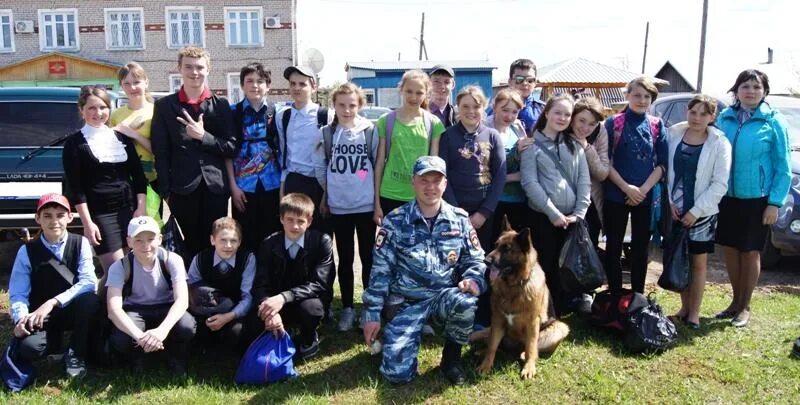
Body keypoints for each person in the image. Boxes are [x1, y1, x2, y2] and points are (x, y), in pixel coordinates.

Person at [362, 156, 486, 385]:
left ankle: (451, 359)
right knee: (396, 375)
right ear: (413, 182)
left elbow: (476, 260)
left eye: (436, 181)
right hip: (406, 302)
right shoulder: (395, 221)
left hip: (443, 298)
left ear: (445, 184)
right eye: (424, 180)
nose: (430, 187)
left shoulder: (459, 219)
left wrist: (473, 279)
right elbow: (380, 272)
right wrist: (371, 315)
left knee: (466, 301)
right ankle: (394, 338)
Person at [714, 69, 791, 327]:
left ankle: (745, 306)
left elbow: (783, 166)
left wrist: (774, 202)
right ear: (736, 90)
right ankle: (734, 302)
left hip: (757, 198)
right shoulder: (725, 118)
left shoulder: (773, 122)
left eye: (757, 87)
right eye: (745, 86)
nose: (751, 91)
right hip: (726, 196)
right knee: (730, 250)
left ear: (765, 91)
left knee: (750, 251)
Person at [151, 47, 237, 260]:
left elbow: (231, 146)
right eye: (188, 66)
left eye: (199, 67)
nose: (194, 72)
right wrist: (166, 191)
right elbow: (160, 151)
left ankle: (212, 287)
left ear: (208, 70)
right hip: (181, 188)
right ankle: (191, 288)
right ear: (179, 68)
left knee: (214, 240)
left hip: (215, 187)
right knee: (189, 242)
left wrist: (203, 136)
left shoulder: (221, 105)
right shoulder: (165, 105)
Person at [8, 193, 99, 379]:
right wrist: (20, 319)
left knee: (91, 301)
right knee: (28, 348)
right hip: (42, 317)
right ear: (37, 219)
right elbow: (18, 292)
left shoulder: (80, 243)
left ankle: (75, 352)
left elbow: (89, 282)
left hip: (72, 309)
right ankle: (55, 344)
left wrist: (53, 302)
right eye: (47, 215)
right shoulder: (26, 251)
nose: (54, 221)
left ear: (69, 217)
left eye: (59, 215)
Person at [313, 83, 378, 331]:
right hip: (338, 207)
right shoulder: (326, 134)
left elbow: (372, 163)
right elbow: (320, 167)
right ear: (334, 105)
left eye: (352, 105)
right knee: (346, 258)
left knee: (368, 257)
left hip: (365, 205)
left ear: (359, 105)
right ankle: (348, 308)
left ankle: (368, 308)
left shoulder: (369, 131)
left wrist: (358, 179)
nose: (347, 110)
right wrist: (331, 190)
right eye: (341, 105)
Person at [62, 85, 147, 271]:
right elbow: (76, 189)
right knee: (117, 272)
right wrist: (88, 223)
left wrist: (141, 208)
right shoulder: (74, 144)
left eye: (102, 107)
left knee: (137, 269)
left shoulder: (121, 138)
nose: (98, 113)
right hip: (102, 215)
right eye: (91, 108)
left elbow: (138, 176)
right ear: (81, 110)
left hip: (131, 211)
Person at [520, 94, 591, 315]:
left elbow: (583, 179)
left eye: (567, 114)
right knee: (546, 266)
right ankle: (544, 312)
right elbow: (529, 183)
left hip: (572, 218)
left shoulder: (574, 145)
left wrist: (579, 212)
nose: (562, 118)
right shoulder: (532, 145)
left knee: (567, 266)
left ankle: (563, 308)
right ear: (547, 112)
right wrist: (552, 213)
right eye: (558, 112)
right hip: (543, 217)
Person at [665, 95, 731, 329]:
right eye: (693, 112)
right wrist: (670, 202)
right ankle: (683, 307)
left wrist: (696, 211)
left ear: (712, 117)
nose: (697, 118)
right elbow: (666, 173)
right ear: (687, 112)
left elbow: (720, 183)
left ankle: (694, 313)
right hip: (675, 211)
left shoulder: (719, 143)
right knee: (680, 259)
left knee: (698, 264)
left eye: (704, 114)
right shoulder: (674, 135)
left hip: (702, 213)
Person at [106, 216, 196, 376]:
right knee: (121, 339)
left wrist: (162, 331)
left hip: (166, 306)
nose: (146, 245)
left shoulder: (172, 260)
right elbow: (113, 310)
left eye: (151, 239)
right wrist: (140, 337)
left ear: (160, 239)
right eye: (138, 240)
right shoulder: (119, 266)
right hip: (135, 310)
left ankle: (175, 356)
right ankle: (136, 356)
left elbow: (182, 301)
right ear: (129, 241)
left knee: (187, 325)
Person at [603, 77, 667, 294]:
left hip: (645, 196)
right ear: (627, 95)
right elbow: (606, 161)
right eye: (637, 95)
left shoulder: (657, 125)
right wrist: (626, 188)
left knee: (640, 249)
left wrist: (642, 191)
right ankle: (615, 294)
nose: (642, 100)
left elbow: (662, 164)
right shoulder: (614, 123)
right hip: (615, 193)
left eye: (647, 96)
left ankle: (638, 297)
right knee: (613, 246)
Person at [251, 193, 335, 360]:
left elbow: (319, 283)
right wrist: (269, 312)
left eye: (301, 221)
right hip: (276, 301)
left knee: (311, 310)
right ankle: (280, 328)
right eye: (290, 220)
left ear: (309, 221)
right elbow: (260, 283)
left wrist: (284, 297)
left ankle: (308, 338)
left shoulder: (321, 242)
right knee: (250, 324)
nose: (295, 226)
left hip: (306, 300)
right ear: (281, 219)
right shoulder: (269, 243)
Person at [373, 70, 446, 225]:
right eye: (409, 91)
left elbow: (433, 166)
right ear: (401, 90)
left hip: (420, 196)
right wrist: (376, 203)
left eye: (419, 93)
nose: (413, 97)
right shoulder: (386, 121)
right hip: (389, 194)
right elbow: (379, 162)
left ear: (427, 94)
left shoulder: (434, 123)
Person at [438, 85, 506, 250]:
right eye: (465, 106)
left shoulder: (492, 136)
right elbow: (442, 174)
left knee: (479, 259)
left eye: (476, 106)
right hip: (454, 210)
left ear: (484, 108)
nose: (471, 111)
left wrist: (484, 212)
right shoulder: (447, 136)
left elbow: (500, 175)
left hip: (483, 213)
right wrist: (456, 212)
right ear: (458, 108)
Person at [227, 63, 281, 252]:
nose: (255, 85)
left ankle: (271, 280)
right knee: (245, 239)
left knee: (272, 237)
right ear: (242, 85)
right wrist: (233, 187)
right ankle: (248, 280)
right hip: (243, 188)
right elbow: (228, 153)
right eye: (249, 81)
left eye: (260, 81)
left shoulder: (277, 113)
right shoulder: (233, 113)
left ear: (268, 85)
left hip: (273, 185)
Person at [275, 65, 331, 233]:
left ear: (314, 87)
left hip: (318, 184)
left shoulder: (326, 115)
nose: (297, 88)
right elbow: (285, 153)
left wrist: (328, 193)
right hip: (293, 182)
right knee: (294, 234)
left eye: (302, 84)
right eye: (293, 84)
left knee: (321, 234)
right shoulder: (282, 116)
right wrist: (282, 190)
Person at [186, 217, 255, 350]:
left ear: (240, 242)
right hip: (206, 310)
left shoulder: (247, 259)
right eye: (223, 240)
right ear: (213, 240)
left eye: (233, 241)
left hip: (232, 311)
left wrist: (227, 317)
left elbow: (248, 297)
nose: (228, 245)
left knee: (237, 332)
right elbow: (189, 290)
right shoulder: (200, 259)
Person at [110, 62, 161, 224]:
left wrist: (133, 134)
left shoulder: (157, 111)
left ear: (146, 82)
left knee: (150, 226)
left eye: (136, 82)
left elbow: (161, 150)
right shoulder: (116, 115)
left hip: (153, 181)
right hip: (125, 181)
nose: (132, 87)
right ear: (121, 86)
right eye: (126, 83)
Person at [486, 89, 532, 239]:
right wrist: (510, 177)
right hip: (493, 201)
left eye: (515, 112)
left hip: (518, 199)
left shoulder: (517, 128)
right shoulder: (484, 129)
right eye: (505, 110)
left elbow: (525, 164)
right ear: (494, 106)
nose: (509, 116)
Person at [568, 97, 609, 249]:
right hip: (561, 201)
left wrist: (585, 146)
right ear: (572, 118)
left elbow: (602, 173)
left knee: (588, 249)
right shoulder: (561, 129)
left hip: (589, 202)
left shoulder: (600, 132)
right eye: (582, 121)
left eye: (592, 123)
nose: (586, 127)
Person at [488, 58, 545, 135]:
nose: (525, 83)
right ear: (510, 81)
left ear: (535, 82)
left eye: (530, 80)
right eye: (519, 79)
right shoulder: (497, 109)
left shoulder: (543, 110)